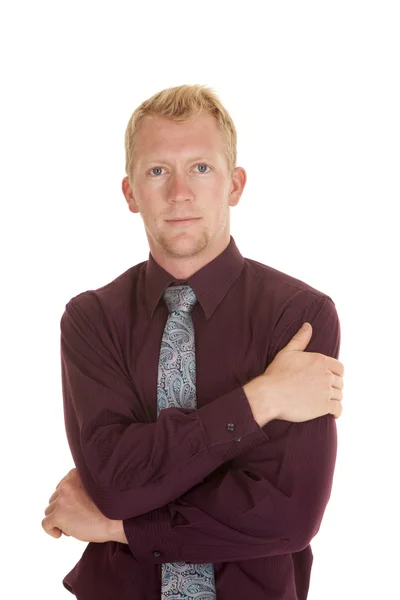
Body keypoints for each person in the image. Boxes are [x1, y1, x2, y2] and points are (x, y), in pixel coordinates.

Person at [42, 84, 344, 600]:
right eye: (157, 170)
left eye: (201, 168)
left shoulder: (300, 317)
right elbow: (115, 482)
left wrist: (121, 527)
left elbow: (287, 516)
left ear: (236, 184)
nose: (179, 192)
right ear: (130, 192)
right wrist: (262, 399)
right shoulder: (91, 320)